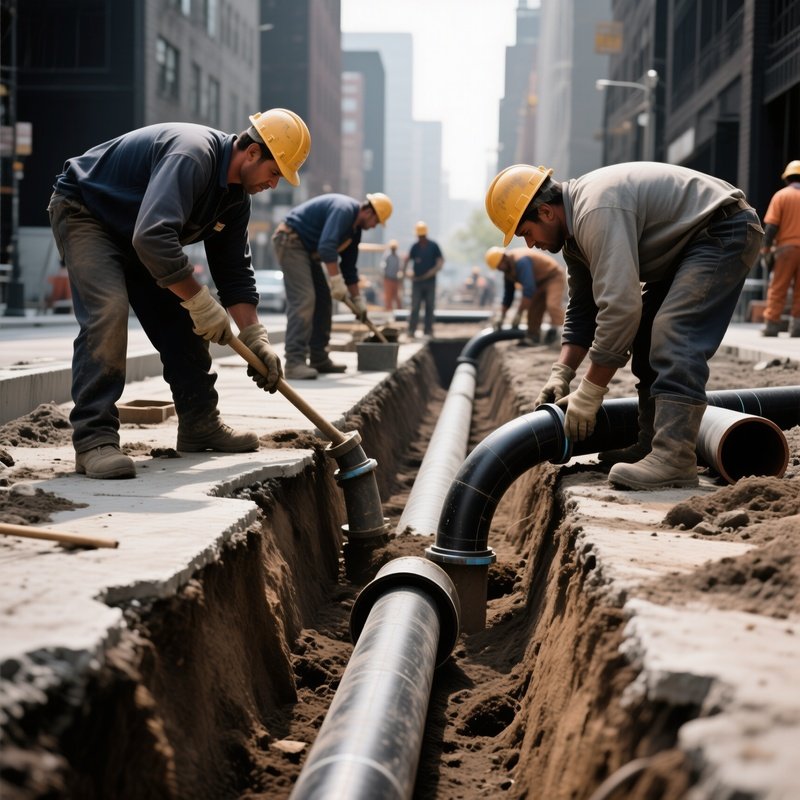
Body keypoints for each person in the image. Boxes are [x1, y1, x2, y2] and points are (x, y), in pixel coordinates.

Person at [48, 108, 311, 479]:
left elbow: (234, 273)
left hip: (138, 234)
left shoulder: (235, 200)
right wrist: (201, 301)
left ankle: (200, 423)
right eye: (274, 172)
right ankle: (94, 439)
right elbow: (153, 237)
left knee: (183, 322)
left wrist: (255, 337)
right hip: (88, 213)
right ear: (252, 152)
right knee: (108, 310)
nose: (274, 184)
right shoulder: (193, 155)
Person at [485, 162, 763, 491]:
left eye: (526, 233)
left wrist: (590, 392)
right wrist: (562, 373)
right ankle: (652, 444)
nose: (530, 245)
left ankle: (675, 458)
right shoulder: (574, 238)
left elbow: (620, 309)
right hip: (686, 246)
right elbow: (583, 309)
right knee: (645, 336)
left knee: (674, 333)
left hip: (722, 229)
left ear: (545, 212)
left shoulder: (595, 212)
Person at [272, 192, 393, 379]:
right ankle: (294, 362)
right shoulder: (344, 210)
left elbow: (349, 268)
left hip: (307, 250)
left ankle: (319, 357)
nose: (374, 226)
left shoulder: (354, 231)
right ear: (369, 212)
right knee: (305, 299)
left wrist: (358, 300)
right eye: (376, 221)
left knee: (324, 301)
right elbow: (327, 246)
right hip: (290, 241)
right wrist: (336, 282)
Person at [485, 246, 565, 345]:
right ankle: (533, 336)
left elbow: (528, 289)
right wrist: (502, 315)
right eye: (497, 267)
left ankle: (560, 334)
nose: (500, 269)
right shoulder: (508, 272)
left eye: (499, 265)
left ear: (504, 258)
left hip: (553, 276)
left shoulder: (521, 261)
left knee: (552, 305)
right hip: (538, 282)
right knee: (533, 309)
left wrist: (519, 313)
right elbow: (508, 296)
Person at [760, 160, 800, 337]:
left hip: (785, 249)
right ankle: (797, 327)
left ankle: (772, 325)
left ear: (787, 178)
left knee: (778, 287)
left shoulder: (781, 196)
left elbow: (771, 226)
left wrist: (765, 249)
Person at [404, 220, 444, 339]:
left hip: (430, 282)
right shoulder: (415, 247)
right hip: (417, 282)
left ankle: (428, 331)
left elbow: (440, 261)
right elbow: (407, 260)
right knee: (415, 306)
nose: (421, 238)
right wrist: (406, 272)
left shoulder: (433, 246)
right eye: (419, 236)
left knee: (429, 306)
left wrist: (432, 272)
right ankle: (411, 330)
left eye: (422, 236)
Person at [381, 239, 403, 314]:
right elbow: (383, 267)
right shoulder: (387, 256)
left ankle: (400, 312)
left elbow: (400, 268)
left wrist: (400, 275)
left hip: (395, 279)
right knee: (388, 296)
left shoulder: (398, 257)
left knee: (397, 296)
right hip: (388, 279)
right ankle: (388, 311)